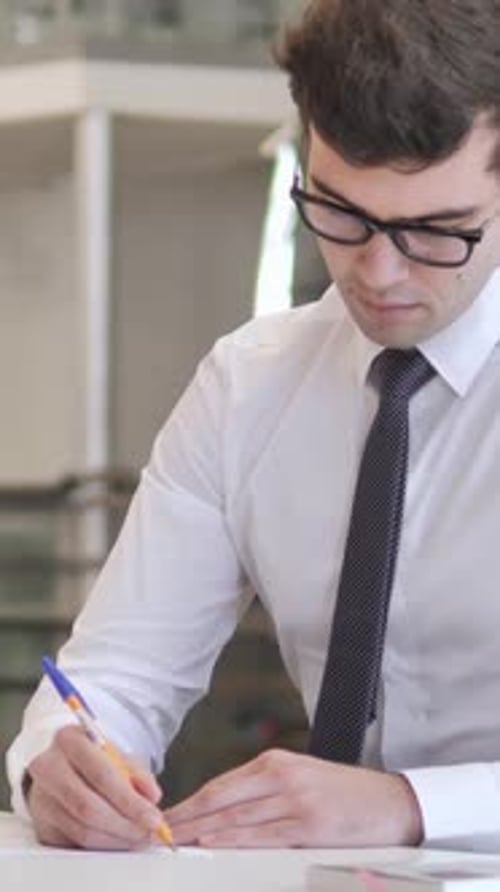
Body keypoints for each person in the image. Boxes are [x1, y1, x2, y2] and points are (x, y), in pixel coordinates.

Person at [7, 0, 500, 852]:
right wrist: (63, 765)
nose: (379, 272)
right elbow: (115, 675)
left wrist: (411, 805)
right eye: (342, 214)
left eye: (436, 232)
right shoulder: (252, 383)